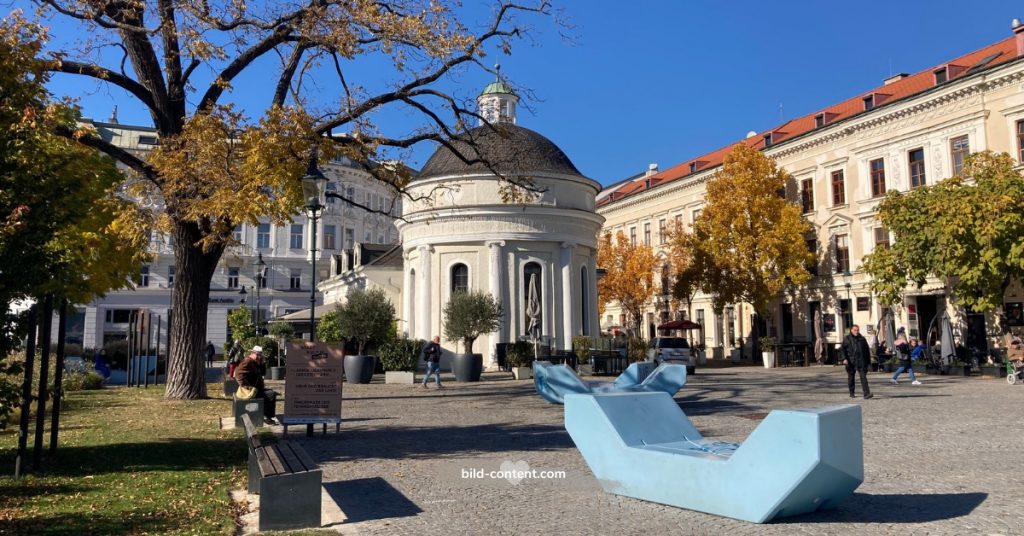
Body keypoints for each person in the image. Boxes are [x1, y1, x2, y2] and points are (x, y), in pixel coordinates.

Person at [233, 345, 278, 425]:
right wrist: (248, 387)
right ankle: (267, 416)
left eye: (260, 355)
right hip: (251, 391)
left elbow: (263, 373)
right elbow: (238, 375)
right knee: (270, 394)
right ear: (252, 353)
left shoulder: (254, 362)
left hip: (256, 389)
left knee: (271, 392)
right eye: (257, 355)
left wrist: (263, 363)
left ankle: (267, 416)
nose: (259, 357)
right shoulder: (247, 361)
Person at [841, 324, 873, 399]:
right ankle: (852, 392)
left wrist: (868, 362)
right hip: (850, 361)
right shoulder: (847, 339)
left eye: (857, 330)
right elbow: (842, 350)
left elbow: (866, 351)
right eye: (855, 330)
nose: (856, 332)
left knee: (863, 377)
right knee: (851, 377)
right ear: (851, 330)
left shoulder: (862, 339)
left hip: (860, 360)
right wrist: (844, 359)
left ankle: (866, 393)